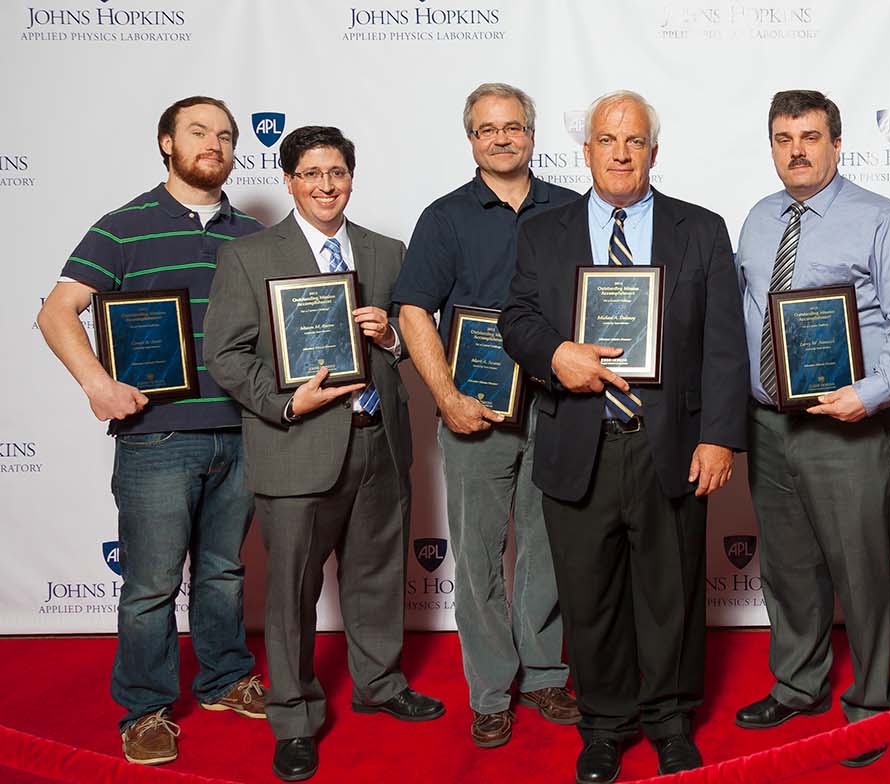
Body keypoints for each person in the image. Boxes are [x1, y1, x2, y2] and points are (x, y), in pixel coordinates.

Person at [499, 90, 748, 784]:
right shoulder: (542, 232)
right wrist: (556, 356)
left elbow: (726, 345)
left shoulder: (699, 229)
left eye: (633, 141)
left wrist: (720, 436)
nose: (620, 153)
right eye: (607, 140)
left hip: (670, 444)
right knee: (591, 595)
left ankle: (670, 723)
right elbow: (515, 319)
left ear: (653, 152)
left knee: (671, 593)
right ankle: (606, 726)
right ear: (586, 152)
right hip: (579, 443)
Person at [205, 125, 443, 782]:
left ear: (351, 176)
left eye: (336, 171)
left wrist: (392, 336)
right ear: (288, 181)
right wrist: (286, 403)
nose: (325, 185)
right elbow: (223, 354)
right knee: (290, 594)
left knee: (376, 579)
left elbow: (421, 343)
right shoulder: (250, 258)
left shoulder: (387, 252)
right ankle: (293, 715)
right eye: (310, 173)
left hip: (379, 441)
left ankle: (380, 685)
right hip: (296, 447)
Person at [35, 95, 267, 767]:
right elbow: (57, 313)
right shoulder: (123, 226)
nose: (215, 144)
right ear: (166, 142)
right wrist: (97, 384)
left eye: (225, 136)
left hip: (243, 432)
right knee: (151, 584)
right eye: (198, 132)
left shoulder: (251, 234)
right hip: (157, 438)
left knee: (223, 573)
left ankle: (224, 679)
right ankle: (145, 709)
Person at [729, 90, 890, 770]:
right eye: (784, 137)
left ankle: (873, 704)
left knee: (863, 570)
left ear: (837, 144)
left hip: (849, 425)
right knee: (789, 568)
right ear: (771, 146)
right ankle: (799, 685)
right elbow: (746, 312)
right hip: (768, 424)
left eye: (811, 136)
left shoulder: (881, 219)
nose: (797, 149)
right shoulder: (758, 220)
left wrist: (872, 394)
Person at [392, 82, 581, 749]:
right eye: (486, 129)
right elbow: (413, 308)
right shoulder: (444, 217)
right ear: (470, 138)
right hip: (473, 407)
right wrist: (443, 394)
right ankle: (492, 690)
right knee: (476, 557)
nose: (501, 138)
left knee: (545, 548)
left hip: (559, 405)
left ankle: (546, 674)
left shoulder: (569, 207)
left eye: (513, 127)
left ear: (532, 133)